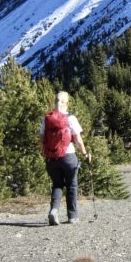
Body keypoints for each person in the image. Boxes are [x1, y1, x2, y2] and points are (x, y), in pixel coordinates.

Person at [40, 91, 91, 225]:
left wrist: (46, 154)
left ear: (55, 102)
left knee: (57, 184)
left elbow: (41, 140)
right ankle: (72, 216)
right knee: (71, 185)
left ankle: (54, 210)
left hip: (51, 158)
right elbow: (78, 140)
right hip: (68, 156)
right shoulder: (70, 118)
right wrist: (85, 154)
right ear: (67, 104)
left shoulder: (46, 119)